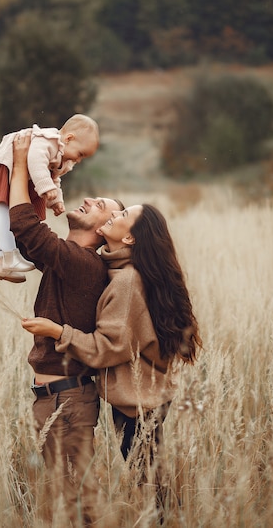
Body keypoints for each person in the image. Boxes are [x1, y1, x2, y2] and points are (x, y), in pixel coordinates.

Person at [21, 202, 202, 493]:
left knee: (152, 490)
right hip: (141, 400)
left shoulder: (127, 281)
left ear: (130, 238)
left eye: (122, 215)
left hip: (139, 406)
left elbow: (108, 347)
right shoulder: (119, 270)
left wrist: (55, 330)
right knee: (151, 483)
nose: (114, 215)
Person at [8, 131, 124, 525]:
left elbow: (28, 230)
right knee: (64, 500)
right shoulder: (70, 259)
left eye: (101, 206)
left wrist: (22, 163)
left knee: (81, 503)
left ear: (106, 227)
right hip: (52, 397)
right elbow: (29, 243)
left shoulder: (83, 264)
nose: (89, 199)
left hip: (69, 401)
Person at [0, 113, 99, 283]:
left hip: (11, 176)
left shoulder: (63, 157)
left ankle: (1, 264)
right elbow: (35, 161)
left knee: (2, 219)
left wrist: (56, 200)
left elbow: (54, 179)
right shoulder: (48, 141)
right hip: (0, 171)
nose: (79, 159)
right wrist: (45, 187)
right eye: (81, 154)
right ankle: (10, 256)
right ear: (68, 139)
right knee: (5, 219)